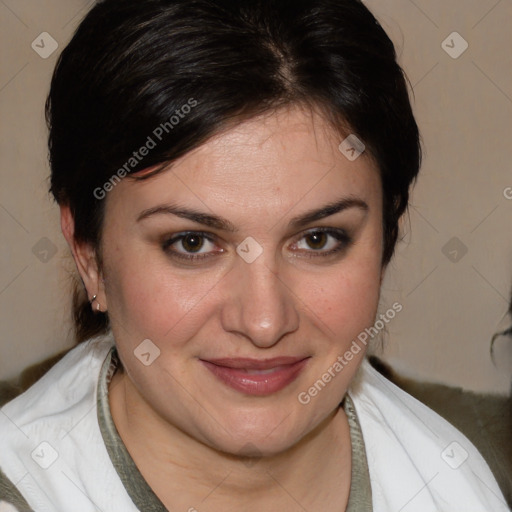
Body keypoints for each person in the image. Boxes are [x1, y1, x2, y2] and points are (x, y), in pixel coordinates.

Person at [0, 0, 508, 510]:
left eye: (318, 239)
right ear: (88, 255)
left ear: (385, 238)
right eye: (192, 243)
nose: (264, 322)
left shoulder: (458, 483)